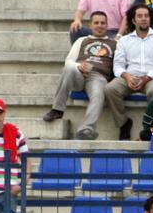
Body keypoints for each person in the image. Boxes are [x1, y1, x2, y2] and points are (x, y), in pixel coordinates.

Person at [43, 11, 116, 139]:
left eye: (102, 23)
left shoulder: (114, 43)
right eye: (96, 23)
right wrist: (79, 66)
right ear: (90, 25)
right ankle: (57, 109)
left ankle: (86, 129)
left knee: (99, 94)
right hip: (79, 74)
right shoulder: (82, 40)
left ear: (107, 25)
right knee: (67, 69)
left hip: (99, 77)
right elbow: (69, 61)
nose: (99, 26)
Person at [105, 4, 153, 140]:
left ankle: (151, 128)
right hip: (129, 77)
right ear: (133, 20)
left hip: (151, 78)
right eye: (139, 16)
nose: (143, 19)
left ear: (150, 19)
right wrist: (127, 76)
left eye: (146, 16)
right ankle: (123, 123)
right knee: (110, 89)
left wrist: (146, 78)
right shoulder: (124, 40)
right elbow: (117, 65)